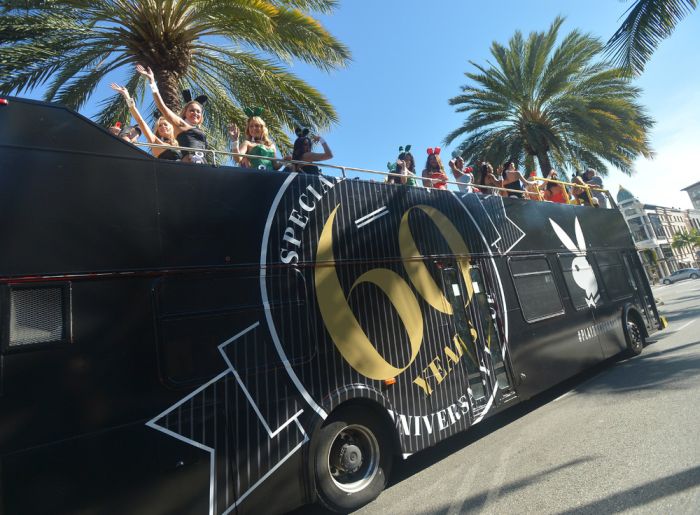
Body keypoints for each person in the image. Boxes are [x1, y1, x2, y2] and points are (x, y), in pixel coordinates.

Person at [137, 64, 208, 164]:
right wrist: (152, 82)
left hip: (203, 164)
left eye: (198, 111)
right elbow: (162, 107)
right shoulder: (181, 125)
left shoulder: (198, 130)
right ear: (185, 113)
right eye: (191, 110)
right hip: (190, 164)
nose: (195, 113)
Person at [110, 83, 181, 160]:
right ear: (158, 131)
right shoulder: (155, 141)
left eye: (165, 124)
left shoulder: (182, 140)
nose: (163, 127)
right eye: (160, 126)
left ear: (171, 126)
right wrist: (127, 96)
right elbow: (140, 120)